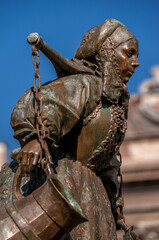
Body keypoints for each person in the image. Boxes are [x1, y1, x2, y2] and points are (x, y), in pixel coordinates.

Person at [0, 19, 139, 239]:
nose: (136, 62)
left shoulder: (114, 105)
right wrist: (39, 138)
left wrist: (114, 204)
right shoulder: (86, 85)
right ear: (108, 52)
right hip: (60, 183)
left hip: (90, 193)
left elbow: (107, 163)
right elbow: (47, 104)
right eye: (129, 53)